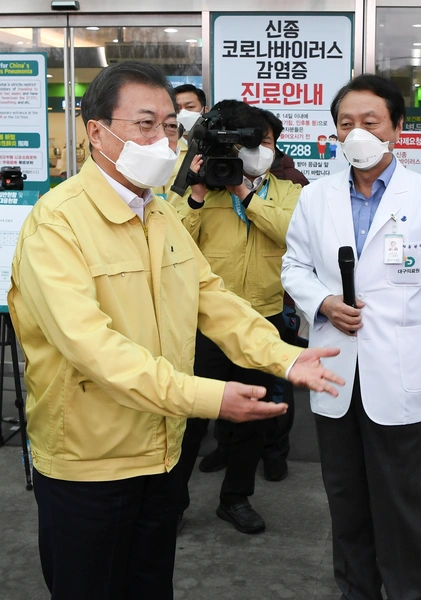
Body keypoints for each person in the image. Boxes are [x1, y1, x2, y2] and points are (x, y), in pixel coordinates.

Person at [7, 61, 342, 600]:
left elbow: (213, 298)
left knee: (148, 587)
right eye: (145, 124)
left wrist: (282, 356)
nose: (162, 140)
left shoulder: (157, 215)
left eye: (170, 126)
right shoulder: (57, 223)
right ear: (98, 132)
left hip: (159, 455)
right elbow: (93, 349)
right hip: (90, 465)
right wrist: (210, 397)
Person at [282, 74, 421, 600]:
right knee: (345, 501)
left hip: (403, 374)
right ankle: (356, 591)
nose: (356, 132)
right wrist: (322, 302)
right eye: (346, 124)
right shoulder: (316, 197)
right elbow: (293, 265)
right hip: (337, 371)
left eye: (369, 122)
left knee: (402, 503)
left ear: (397, 129)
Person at [171, 101, 302, 533]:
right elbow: (171, 243)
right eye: (249, 143)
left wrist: (246, 194)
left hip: (263, 322)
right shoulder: (203, 187)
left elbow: (292, 233)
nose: (257, 150)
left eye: (264, 142)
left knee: (254, 419)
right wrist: (196, 193)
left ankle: (236, 498)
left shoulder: (290, 190)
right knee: (191, 417)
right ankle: (172, 502)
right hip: (206, 323)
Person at [151, 83, 208, 203]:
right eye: (178, 109)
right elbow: (156, 198)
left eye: (190, 107)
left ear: (205, 110)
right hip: (176, 219)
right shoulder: (163, 151)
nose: (183, 113)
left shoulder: (217, 147)